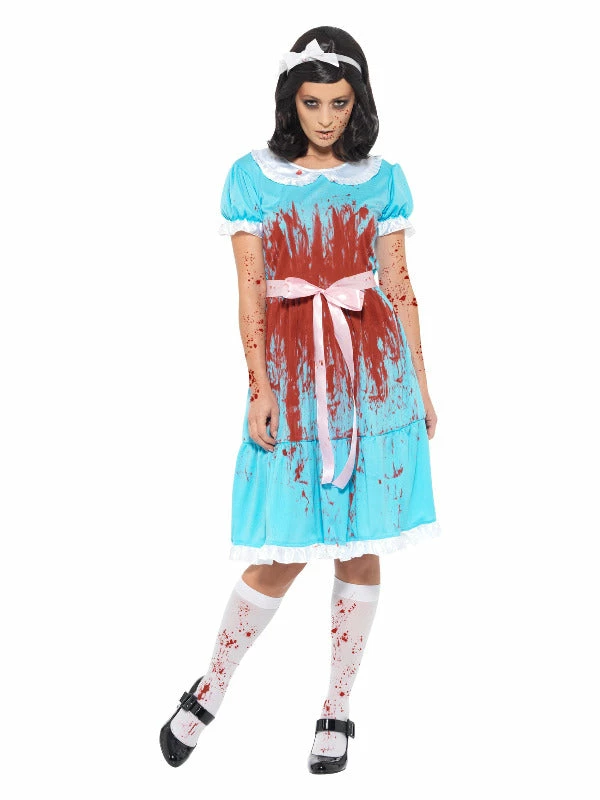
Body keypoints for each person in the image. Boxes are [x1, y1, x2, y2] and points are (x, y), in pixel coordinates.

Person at [160, 25, 441, 775]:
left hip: (372, 375)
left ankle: (337, 706)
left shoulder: (382, 179)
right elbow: (250, 290)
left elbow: (400, 285)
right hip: (292, 371)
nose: (325, 117)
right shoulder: (253, 178)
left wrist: (421, 383)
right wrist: (259, 387)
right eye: (312, 102)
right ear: (291, 101)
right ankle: (211, 686)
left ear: (358, 103)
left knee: (360, 543)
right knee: (278, 553)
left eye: (339, 103)